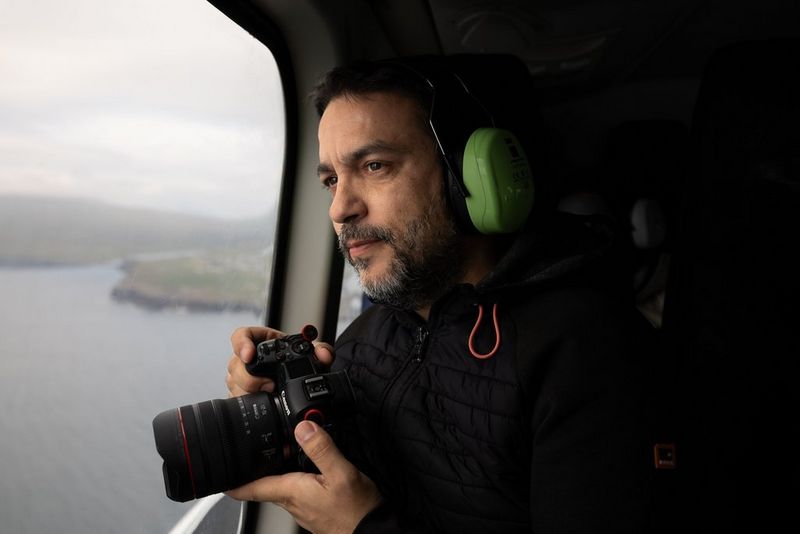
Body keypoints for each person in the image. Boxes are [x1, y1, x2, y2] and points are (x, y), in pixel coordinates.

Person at [225, 55, 669, 533]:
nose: (340, 207)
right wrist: (278, 403)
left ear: (471, 178)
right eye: (332, 179)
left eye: (374, 166)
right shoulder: (358, 343)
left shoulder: (589, 350)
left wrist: (364, 528)